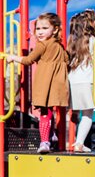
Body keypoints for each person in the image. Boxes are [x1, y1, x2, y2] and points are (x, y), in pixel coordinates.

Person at [6, 12, 69, 153]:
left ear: (56, 29)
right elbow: (67, 61)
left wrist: (12, 57)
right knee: (50, 111)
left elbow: (29, 60)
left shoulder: (42, 45)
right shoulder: (60, 47)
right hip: (57, 84)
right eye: (38, 28)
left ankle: (44, 142)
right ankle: (52, 135)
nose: (40, 32)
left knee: (44, 113)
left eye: (44, 28)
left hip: (45, 83)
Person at [67, 9, 95, 152]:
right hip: (86, 81)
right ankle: (79, 143)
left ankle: (64, 140)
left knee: (73, 111)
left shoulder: (74, 42)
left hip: (71, 81)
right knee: (87, 114)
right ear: (92, 24)